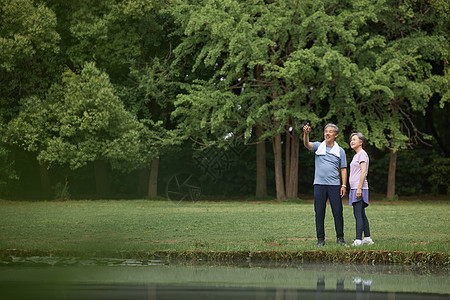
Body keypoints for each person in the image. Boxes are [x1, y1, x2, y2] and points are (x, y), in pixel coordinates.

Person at [303, 123, 348, 247]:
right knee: (319, 212)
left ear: (336, 135)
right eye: (326, 131)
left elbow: (343, 168)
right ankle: (320, 239)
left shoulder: (340, 151)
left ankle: (340, 238)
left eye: (330, 131)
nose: (327, 133)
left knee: (338, 211)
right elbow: (307, 145)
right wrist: (306, 134)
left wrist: (343, 185)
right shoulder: (318, 146)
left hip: (334, 185)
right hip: (319, 185)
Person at [348, 132, 374, 246]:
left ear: (361, 142)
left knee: (358, 214)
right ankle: (367, 238)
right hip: (355, 188)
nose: (352, 141)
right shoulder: (357, 155)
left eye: (354, 139)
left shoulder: (362, 154)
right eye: (351, 140)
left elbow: (364, 171)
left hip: (359, 188)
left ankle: (358, 240)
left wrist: (359, 188)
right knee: (361, 214)